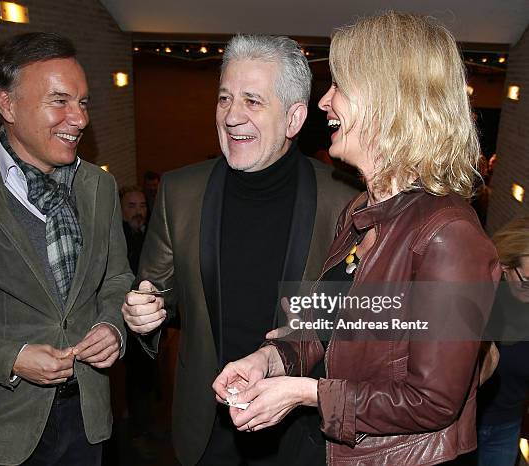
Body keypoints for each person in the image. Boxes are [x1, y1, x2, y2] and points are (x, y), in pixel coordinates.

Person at [213, 12, 501, 466]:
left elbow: (431, 401)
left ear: (391, 100)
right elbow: (326, 327)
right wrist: (271, 360)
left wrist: (305, 393)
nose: (324, 101)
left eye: (340, 86)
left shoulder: (448, 233)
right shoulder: (360, 210)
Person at [122, 34, 357, 465]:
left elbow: (354, 315)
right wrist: (144, 314)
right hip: (207, 426)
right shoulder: (180, 191)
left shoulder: (344, 200)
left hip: (298, 431)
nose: (231, 116)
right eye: (225, 98)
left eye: (252, 101)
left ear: (294, 118)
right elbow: (156, 291)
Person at [0, 32, 133, 465]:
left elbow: (116, 280)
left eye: (83, 102)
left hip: (86, 422)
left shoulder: (99, 186)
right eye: (60, 101)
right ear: (7, 106)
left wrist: (112, 328)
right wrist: (11, 358)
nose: (79, 118)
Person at [477, 216, 529, 466]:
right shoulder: (479, 296)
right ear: (507, 265)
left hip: (506, 428)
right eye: (527, 282)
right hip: (464, 424)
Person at [120, 186, 148, 274]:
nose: (138, 212)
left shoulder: (154, 234)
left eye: (142, 206)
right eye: (132, 206)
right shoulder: (116, 239)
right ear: (120, 209)